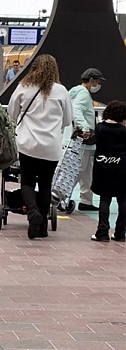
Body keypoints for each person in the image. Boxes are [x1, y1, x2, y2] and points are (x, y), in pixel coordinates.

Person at [7, 54, 73, 239]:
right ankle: (42, 227)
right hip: (51, 147)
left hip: (27, 144)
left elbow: (12, 114)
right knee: (45, 185)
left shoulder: (23, 87)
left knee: (27, 181)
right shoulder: (61, 91)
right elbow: (67, 119)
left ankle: (32, 212)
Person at [69, 68, 106, 211]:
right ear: (91, 80)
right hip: (84, 139)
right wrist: (85, 128)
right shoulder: (83, 94)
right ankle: (60, 198)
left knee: (86, 171)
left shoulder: (74, 91)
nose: (98, 85)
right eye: (97, 81)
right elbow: (76, 109)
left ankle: (86, 200)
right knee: (79, 170)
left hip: (82, 139)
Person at [90, 100, 126, 242]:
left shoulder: (99, 128)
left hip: (102, 167)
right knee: (123, 199)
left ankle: (102, 232)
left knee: (105, 199)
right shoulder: (123, 131)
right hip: (121, 168)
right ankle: (120, 232)